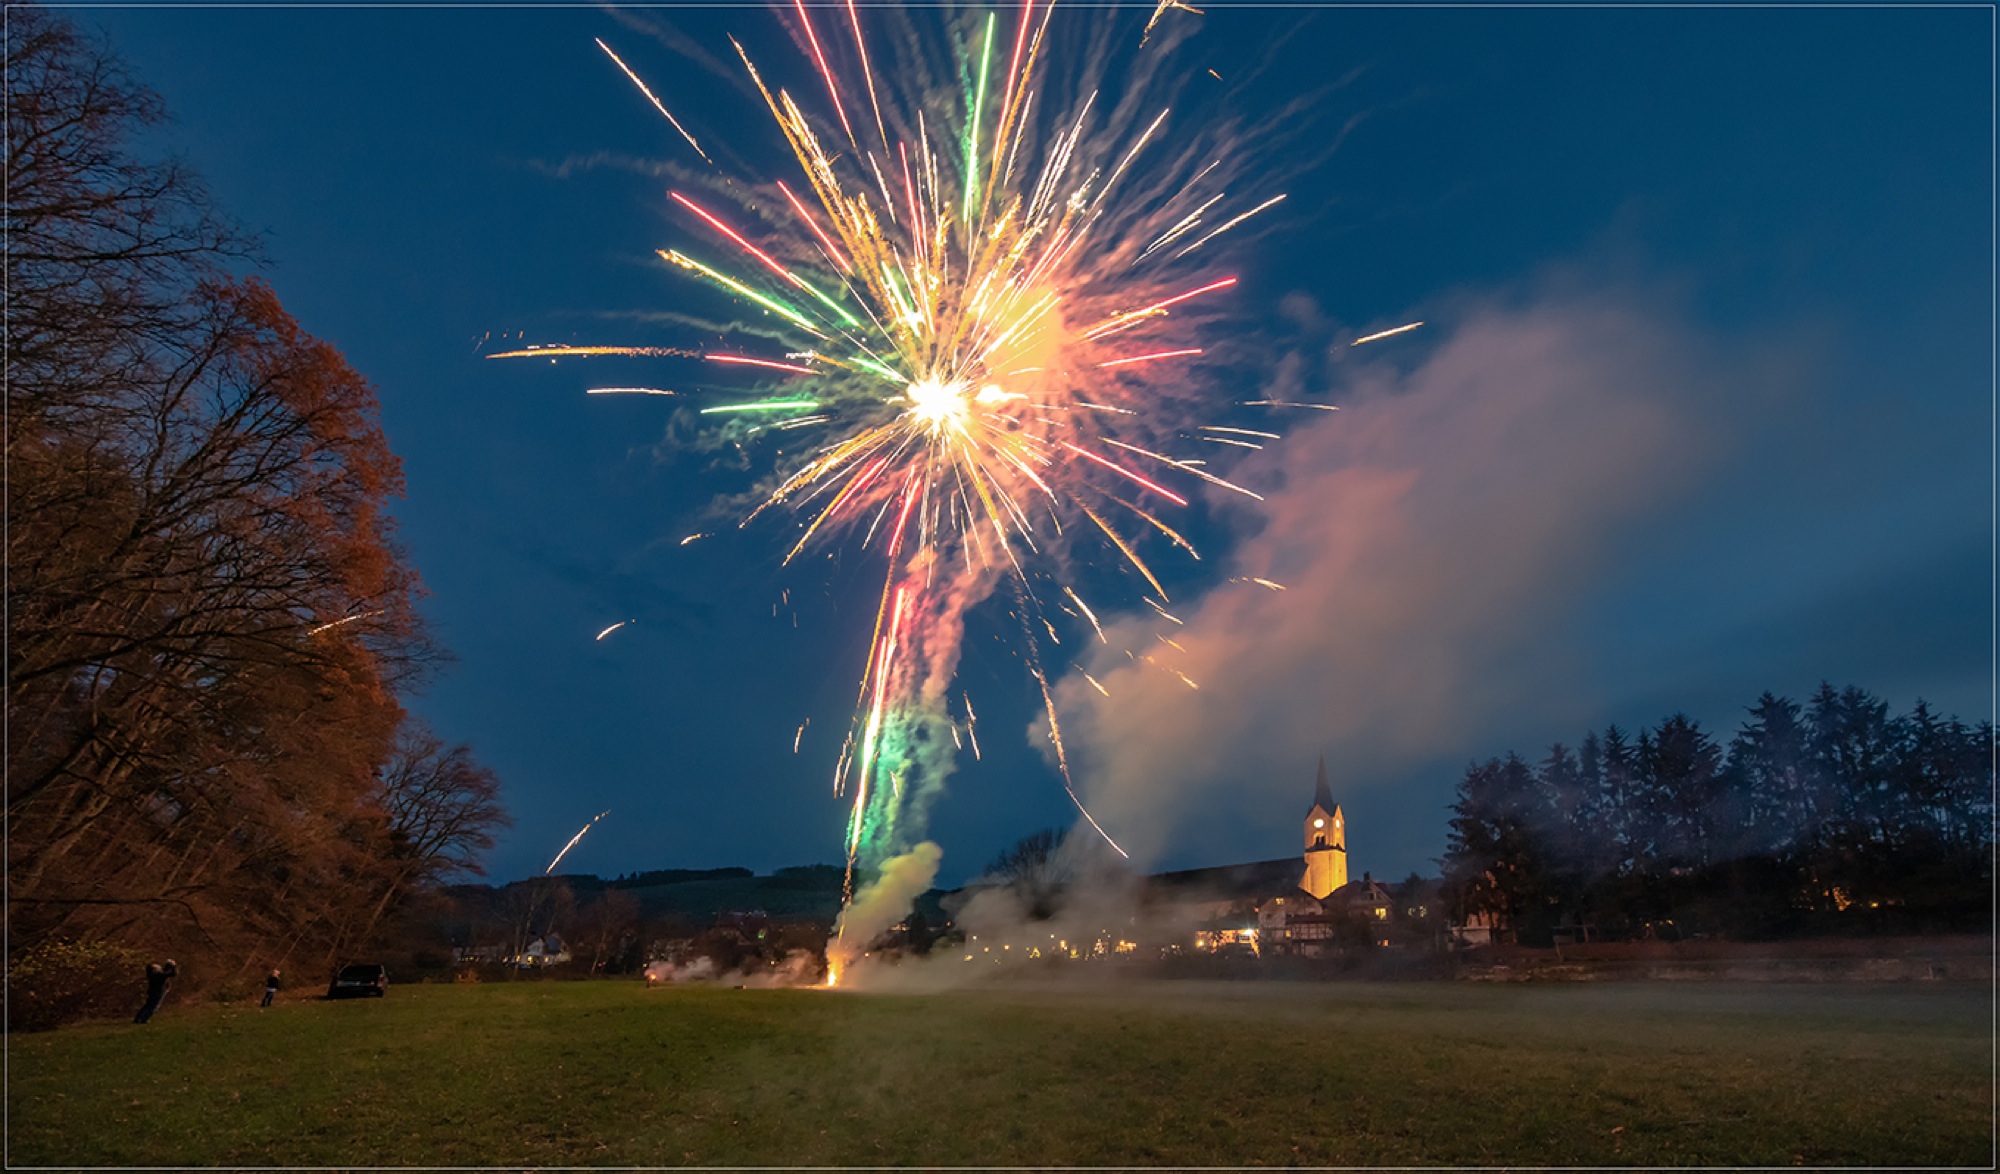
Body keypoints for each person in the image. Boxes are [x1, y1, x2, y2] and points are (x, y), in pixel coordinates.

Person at [133, 959, 177, 1024]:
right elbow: (172, 974)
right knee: (153, 1006)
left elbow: (165, 972)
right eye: (157, 966)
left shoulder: (154, 974)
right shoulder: (158, 975)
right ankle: (144, 1019)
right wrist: (173, 965)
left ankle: (138, 1018)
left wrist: (168, 965)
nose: (159, 966)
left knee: (148, 1005)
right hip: (157, 992)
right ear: (154, 969)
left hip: (152, 991)